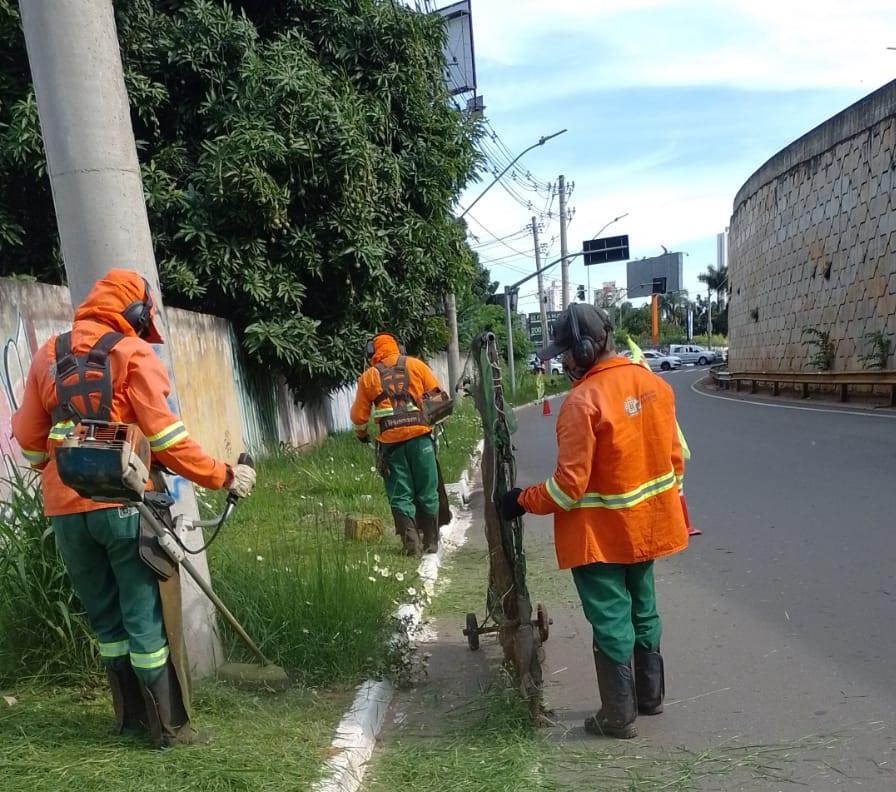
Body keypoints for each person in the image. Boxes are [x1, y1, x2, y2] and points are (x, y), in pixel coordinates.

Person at [11, 268, 256, 748]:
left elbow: (28, 440)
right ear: (137, 313)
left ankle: (128, 721)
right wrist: (225, 475)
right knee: (144, 614)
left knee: (106, 620)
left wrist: (58, 469)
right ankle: (170, 728)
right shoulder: (131, 353)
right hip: (124, 507)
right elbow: (168, 441)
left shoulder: (47, 354)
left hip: (65, 512)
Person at [498, 303, 688, 739]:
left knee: (610, 620)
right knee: (644, 608)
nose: (563, 361)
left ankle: (617, 715)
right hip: (648, 529)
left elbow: (568, 488)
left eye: (566, 352)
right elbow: (675, 463)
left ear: (586, 349)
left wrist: (521, 501)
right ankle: (650, 696)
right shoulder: (655, 386)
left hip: (600, 539)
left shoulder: (583, 402)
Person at [351, 332, 443, 556]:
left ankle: (410, 543)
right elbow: (439, 399)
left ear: (372, 353)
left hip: (391, 444)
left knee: (400, 492)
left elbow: (358, 417)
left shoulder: (369, 377)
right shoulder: (416, 365)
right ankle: (431, 541)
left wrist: (362, 435)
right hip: (421, 439)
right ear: (398, 347)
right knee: (427, 488)